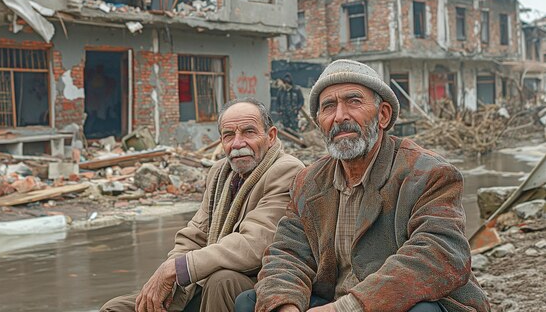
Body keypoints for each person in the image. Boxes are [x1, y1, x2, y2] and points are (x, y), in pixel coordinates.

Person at [236, 60, 490, 312]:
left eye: (354, 102)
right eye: (328, 107)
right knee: (249, 302)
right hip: (334, 300)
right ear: (319, 122)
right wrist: (285, 306)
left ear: (383, 115)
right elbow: (287, 253)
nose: (340, 116)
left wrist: (346, 308)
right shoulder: (308, 181)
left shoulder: (429, 173)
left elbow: (439, 255)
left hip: (396, 301)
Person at [101, 98, 304, 312]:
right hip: (202, 281)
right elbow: (195, 233)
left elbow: (254, 243)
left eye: (248, 132)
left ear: (270, 136)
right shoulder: (220, 172)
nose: (237, 143)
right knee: (115, 308)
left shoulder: (287, 170)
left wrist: (180, 268)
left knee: (222, 281)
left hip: (256, 282)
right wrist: (168, 275)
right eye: (229, 135)